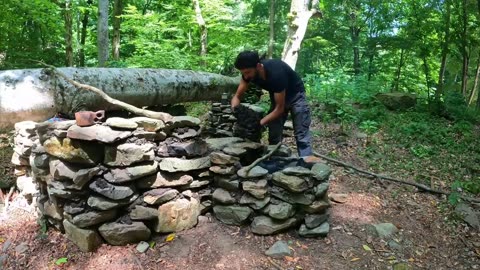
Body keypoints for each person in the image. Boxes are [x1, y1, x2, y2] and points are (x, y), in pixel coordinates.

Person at [231, 50, 319, 162]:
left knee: (301, 132)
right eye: (243, 73)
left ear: (258, 66)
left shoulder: (276, 74)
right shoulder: (248, 75)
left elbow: (279, 109)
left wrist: (258, 123)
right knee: (274, 133)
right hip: (277, 95)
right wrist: (235, 109)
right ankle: (276, 161)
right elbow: (237, 96)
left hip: (296, 96)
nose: (245, 76)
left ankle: (307, 165)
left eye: (247, 72)